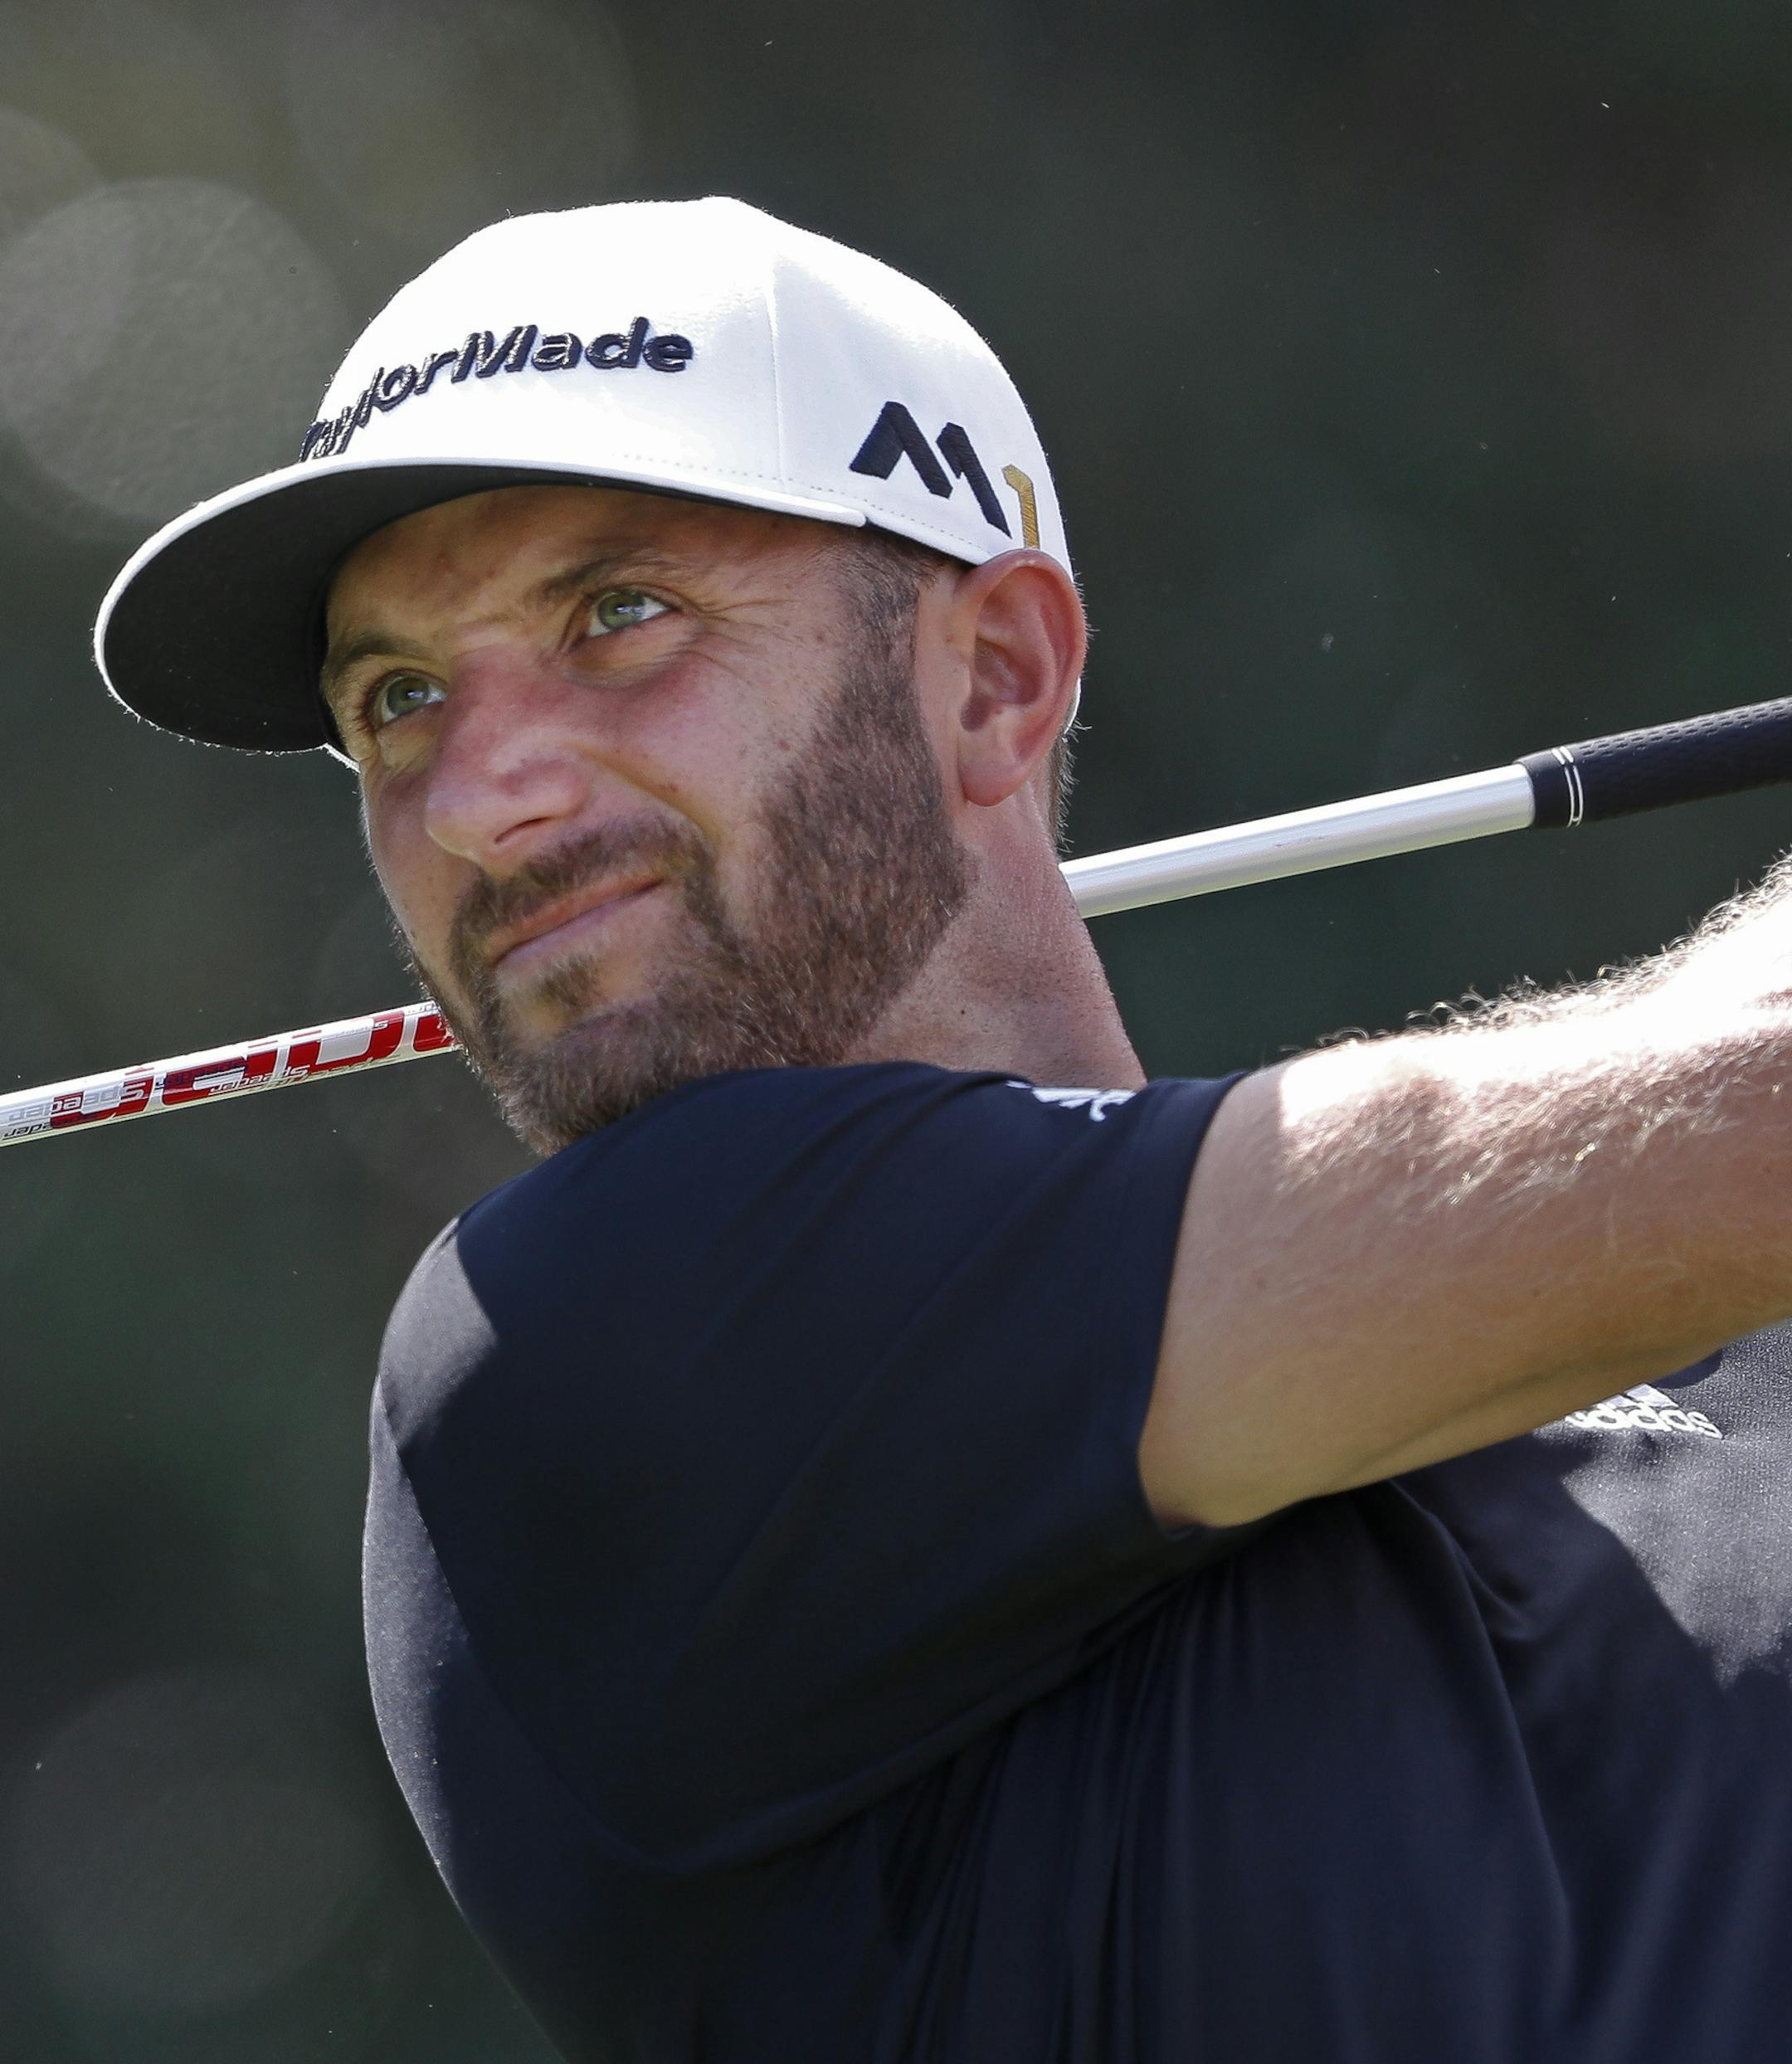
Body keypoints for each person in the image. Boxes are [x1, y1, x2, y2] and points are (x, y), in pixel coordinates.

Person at [95, 197, 1792, 2064]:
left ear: (992, 676)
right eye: (400, 698)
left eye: (617, 614)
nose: (481, 796)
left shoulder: (1695, 1368)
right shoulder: (591, 1334)